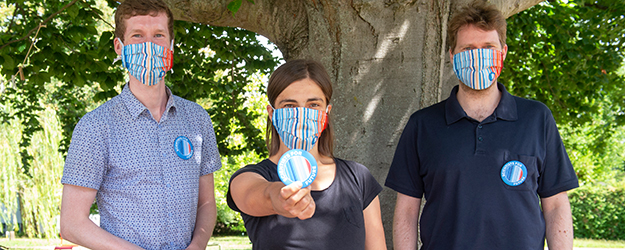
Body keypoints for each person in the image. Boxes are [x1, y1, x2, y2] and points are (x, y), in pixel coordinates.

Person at [385, 2, 579, 250]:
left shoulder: (536, 118)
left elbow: (556, 204)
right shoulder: (422, 125)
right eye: (468, 48)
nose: (478, 57)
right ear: (453, 55)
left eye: (488, 47)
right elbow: (406, 210)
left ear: (503, 52)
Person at [59, 0, 222, 249]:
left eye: (158, 35)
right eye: (137, 35)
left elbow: (206, 203)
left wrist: (197, 246)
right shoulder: (95, 127)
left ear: (171, 45)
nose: (149, 44)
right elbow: (72, 224)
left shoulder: (197, 119)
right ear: (119, 47)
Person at [226, 59, 387, 250]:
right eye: (289, 106)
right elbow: (262, 195)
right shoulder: (249, 178)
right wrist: (280, 198)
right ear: (272, 113)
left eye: (313, 105)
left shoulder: (359, 178)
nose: (301, 114)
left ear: (327, 111)